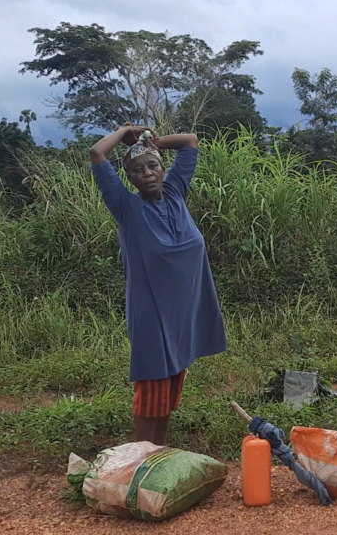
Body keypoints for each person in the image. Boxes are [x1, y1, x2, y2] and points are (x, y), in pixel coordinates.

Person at [90, 124, 227, 446]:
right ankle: (142, 455)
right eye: (138, 170)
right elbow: (97, 153)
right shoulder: (127, 208)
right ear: (130, 179)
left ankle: (159, 449)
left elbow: (190, 142)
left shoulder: (176, 192)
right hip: (151, 311)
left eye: (153, 166)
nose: (148, 173)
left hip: (184, 313)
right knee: (151, 382)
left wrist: (152, 141)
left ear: (164, 170)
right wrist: (125, 131)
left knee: (170, 384)